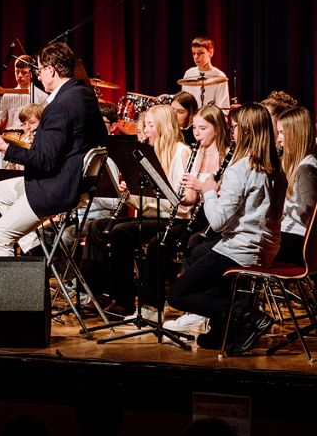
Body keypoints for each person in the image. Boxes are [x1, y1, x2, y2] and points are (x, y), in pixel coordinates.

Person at [167, 103, 286, 353]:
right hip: (265, 246)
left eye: (234, 128)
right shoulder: (276, 169)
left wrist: (208, 191)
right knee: (199, 251)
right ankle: (222, 327)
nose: (231, 133)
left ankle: (245, 314)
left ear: (245, 132)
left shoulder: (240, 168)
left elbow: (219, 222)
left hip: (241, 250)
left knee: (176, 295)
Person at [0, 42, 107, 257]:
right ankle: (34, 245)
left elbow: (45, 161)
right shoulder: (85, 95)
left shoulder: (58, 106)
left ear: (51, 70)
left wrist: (5, 147)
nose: (39, 77)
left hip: (56, 188)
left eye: (40, 70)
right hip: (78, 184)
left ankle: (20, 291)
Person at [80, 105, 197, 317]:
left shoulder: (181, 152)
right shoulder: (147, 154)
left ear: (163, 126)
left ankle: (133, 303)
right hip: (153, 217)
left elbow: (178, 203)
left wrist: (143, 197)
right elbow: (148, 204)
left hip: (176, 221)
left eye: (150, 125)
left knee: (124, 233)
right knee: (97, 226)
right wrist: (129, 195)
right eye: (145, 125)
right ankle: (102, 293)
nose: (145, 131)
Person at [163, 104, 234, 334]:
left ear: (217, 128)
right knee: (173, 240)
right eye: (194, 128)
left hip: (220, 219)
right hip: (200, 215)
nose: (197, 133)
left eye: (203, 128)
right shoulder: (196, 154)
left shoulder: (227, 155)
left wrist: (203, 188)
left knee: (196, 243)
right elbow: (190, 199)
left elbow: (226, 197)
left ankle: (201, 310)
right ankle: (189, 307)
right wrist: (176, 194)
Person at [273, 107, 317, 265]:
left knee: (242, 251)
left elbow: (310, 213)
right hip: (286, 233)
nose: (278, 139)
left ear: (296, 135)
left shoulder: (306, 168)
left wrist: (277, 209)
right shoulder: (293, 164)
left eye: (282, 132)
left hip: (297, 240)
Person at [0, 54, 47, 129]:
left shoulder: (42, 96)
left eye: (24, 72)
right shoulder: (8, 95)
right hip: (11, 137)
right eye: (17, 72)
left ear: (31, 73)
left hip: (31, 138)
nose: (19, 75)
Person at [179, 36, 230, 110]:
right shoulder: (189, 74)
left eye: (200, 53)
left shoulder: (219, 76)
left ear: (211, 52)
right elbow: (184, 102)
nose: (196, 57)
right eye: (193, 53)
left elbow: (223, 107)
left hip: (210, 119)